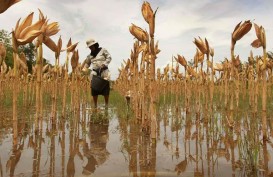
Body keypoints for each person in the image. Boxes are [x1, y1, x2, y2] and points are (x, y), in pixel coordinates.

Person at [82, 38, 112, 108]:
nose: (91, 48)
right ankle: (95, 106)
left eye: (92, 46)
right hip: (94, 73)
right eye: (89, 47)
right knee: (94, 90)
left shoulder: (103, 50)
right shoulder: (90, 56)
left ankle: (106, 105)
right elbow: (87, 63)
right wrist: (84, 68)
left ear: (95, 45)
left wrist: (104, 64)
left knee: (105, 89)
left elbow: (109, 57)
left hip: (104, 72)